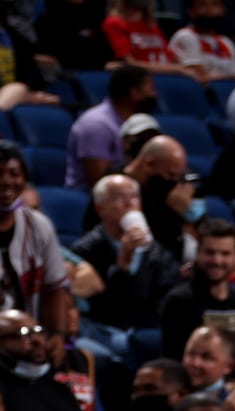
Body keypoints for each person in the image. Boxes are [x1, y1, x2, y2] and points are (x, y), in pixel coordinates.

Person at [159, 218, 235, 357]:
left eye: (225, 254)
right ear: (198, 253)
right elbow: (174, 359)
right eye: (210, 253)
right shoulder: (178, 302)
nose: (217, 261)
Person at [0, 147, 70, 333]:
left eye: (14, 174)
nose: (6, 182)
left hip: (30, 336)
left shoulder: (39, 225)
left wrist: (57, 335)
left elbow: (54, 288)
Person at [66, 63, 157, 188]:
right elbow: (101, 183)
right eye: (151, 89)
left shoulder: (143, 122)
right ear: (134, 93)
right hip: (96, 195)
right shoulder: (96, 124)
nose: (155, 95)